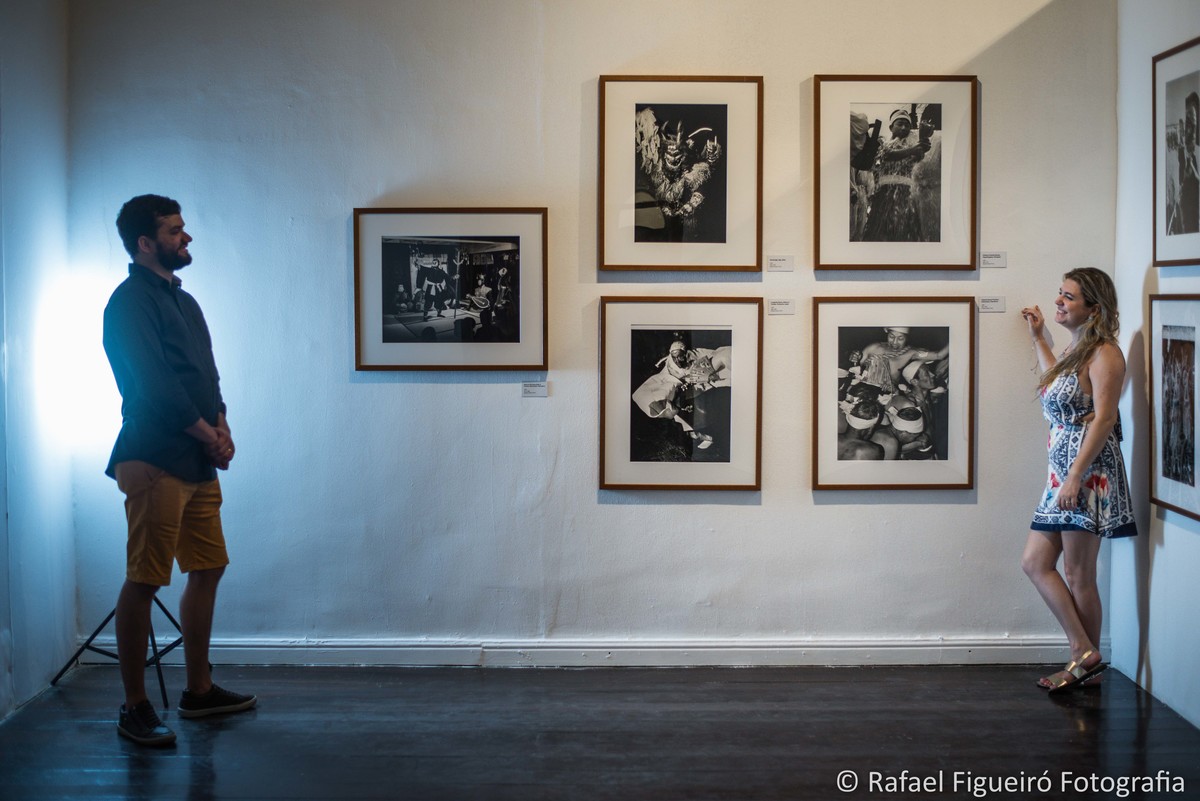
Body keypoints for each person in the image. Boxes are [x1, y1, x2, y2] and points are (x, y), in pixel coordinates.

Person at [103, 195, 256, 747]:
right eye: (174, 230)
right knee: (145, 578)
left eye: (183, 228)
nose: (185, 238)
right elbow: (152, 384)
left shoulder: (184, 302)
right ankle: (134, 706)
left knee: (208, 567)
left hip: (195, 458)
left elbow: (207, 375)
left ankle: (198, 691)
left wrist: (223, 427)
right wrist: (205, 433)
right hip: (153, 457)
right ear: (146, 243)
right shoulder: (127, 303)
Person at [1019, 268, 1138, 694]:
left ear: (1094, 308)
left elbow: (1104, 418)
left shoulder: (1106, 354)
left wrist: (1073, 478)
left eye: (1068, 297)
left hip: (1086, 475)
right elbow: (1058, 391)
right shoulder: (1077, 348)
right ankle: (1084, 653)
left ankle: (1082, 658)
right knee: (1035, 563)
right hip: (1062, 474)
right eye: (1060, 294)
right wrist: (1039, 339)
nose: (1059, 302)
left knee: (1078, 572)